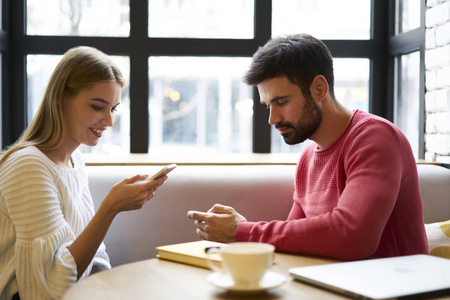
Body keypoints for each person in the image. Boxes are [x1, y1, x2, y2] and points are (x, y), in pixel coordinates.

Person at [187, 33, 428, 260]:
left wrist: (243, 232)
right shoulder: (308, 157)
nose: (273, 119)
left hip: (393, 288)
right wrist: (243, 237)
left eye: (281, 102)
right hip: (335, 284)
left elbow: (354, 236)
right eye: (267, 105)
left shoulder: (374, 138)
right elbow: (296, 238)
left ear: (319, 88)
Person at [0, 46, 168, 300]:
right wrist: (110, 207)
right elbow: (44, 290)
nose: (109, 121)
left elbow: (90, 254)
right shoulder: (29, 166)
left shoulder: (75, 161)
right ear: (60, 98)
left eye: (113, 109)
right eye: (98, 106)